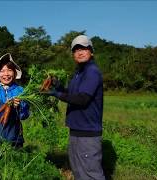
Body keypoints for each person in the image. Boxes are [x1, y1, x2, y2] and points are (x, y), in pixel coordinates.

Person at [46, 35, 105, 180]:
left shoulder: (92, 71)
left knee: (91, 173)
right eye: (76, 49)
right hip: (77, 131)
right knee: (79, 172)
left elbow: (82, 99)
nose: (80, 52)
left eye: (84, 48)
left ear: (91, 51)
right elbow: (73, 93)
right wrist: (60, 87)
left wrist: (57, 94)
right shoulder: (79, 72)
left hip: (87, 133)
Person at [0, 53, 29, 149]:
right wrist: (5, 107)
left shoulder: (20, 91)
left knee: (16, 164)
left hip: (15, 138)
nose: (6, 74)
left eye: (9, 70)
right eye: (2, 71)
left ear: (14, 73)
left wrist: (18, 107)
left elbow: (25, 115)